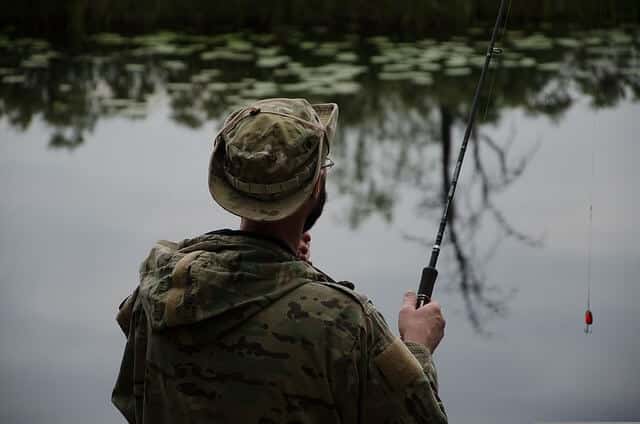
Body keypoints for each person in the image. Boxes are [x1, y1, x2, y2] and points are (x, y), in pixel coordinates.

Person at [112, 98, 447, 423]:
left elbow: (132, 402)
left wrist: (291, 271)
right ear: (316, 185)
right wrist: (418, 347)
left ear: (229, 186)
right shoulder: (345, 323)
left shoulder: (156, 293)